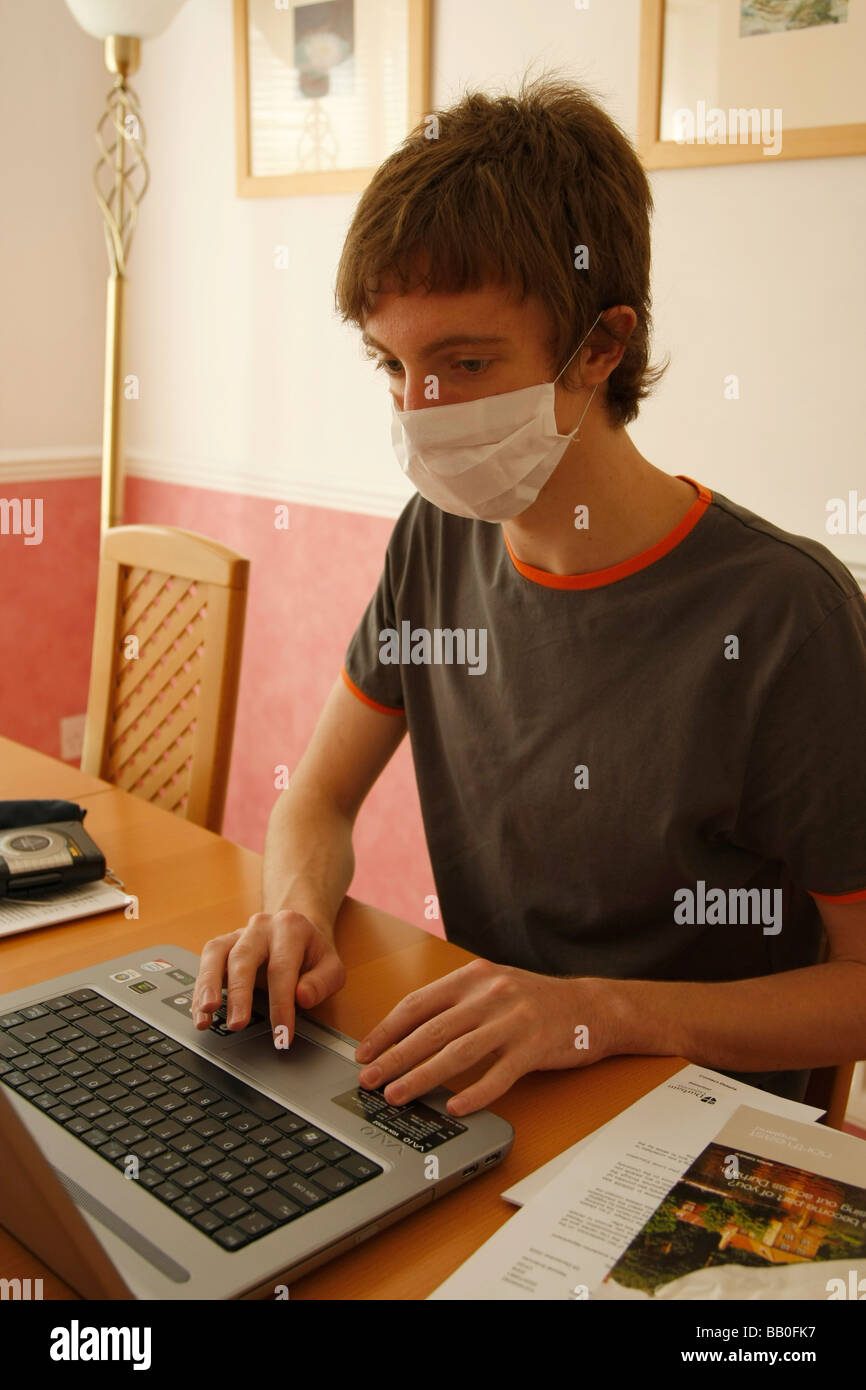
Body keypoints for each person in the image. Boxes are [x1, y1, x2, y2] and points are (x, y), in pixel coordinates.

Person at [193, 73, 866, 1113]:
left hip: (685, 1126)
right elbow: (317, 798)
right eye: (390, 364)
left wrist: (600, 1009)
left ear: (599, 346)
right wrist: (295, 911)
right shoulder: (437, 539)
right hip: (488, 1093)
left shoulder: (782, 617)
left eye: (461, 363)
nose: (419, 414)